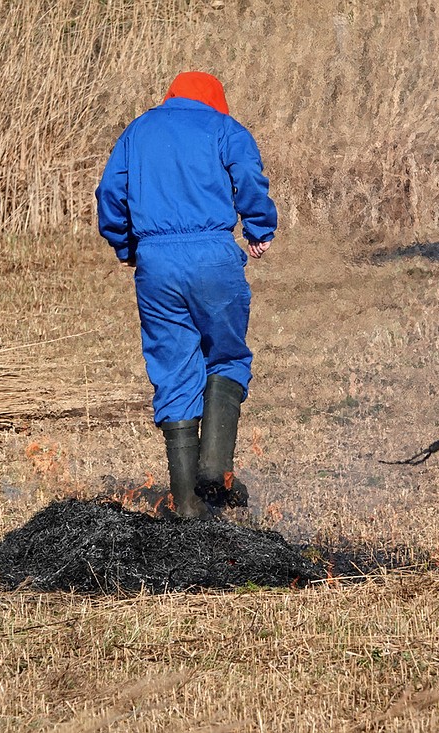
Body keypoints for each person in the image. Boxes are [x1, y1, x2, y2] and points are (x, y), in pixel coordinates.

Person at [95, 71, 277, 520]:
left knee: (173, 370)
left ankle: (187, 503)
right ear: (216, 101)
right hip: (213, 254)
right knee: (227, 356)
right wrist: (259, 227)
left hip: (155, 262)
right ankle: (214, 469)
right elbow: (249, 177)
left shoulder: (138, 130)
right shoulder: (224, 128)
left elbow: (110, 195)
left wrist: (128, 247)